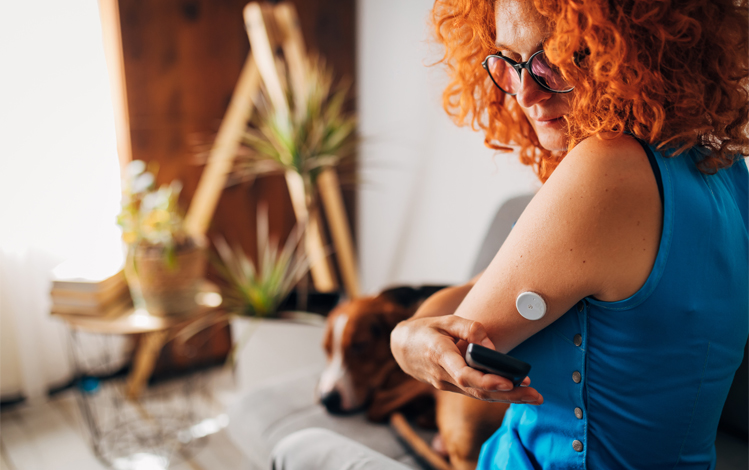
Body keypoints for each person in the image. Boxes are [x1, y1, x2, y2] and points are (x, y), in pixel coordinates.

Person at [272, 0, 748, 468]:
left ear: (632, 48)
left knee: (295, 450)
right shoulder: (724, 169)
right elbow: (470, 300)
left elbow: (460, 342)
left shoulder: (607, 167)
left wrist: (404, 339)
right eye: (510, 63)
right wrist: (410, 331)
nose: (525, 93)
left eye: (555, 60)